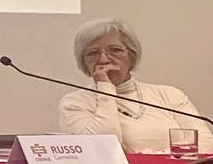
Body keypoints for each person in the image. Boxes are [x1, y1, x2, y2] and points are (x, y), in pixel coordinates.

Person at [58, 19, 213, 153]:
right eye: (92, 53)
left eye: (115, 50)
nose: (104, 59)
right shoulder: (74, 103)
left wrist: (153, 160)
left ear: (132, 56)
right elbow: (101, 150)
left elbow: (206, 144)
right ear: (83, 62)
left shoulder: (169, 95)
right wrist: (105, 88)